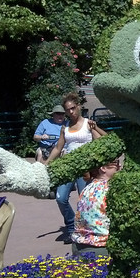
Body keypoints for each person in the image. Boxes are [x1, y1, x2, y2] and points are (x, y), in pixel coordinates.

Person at [47, 92, 107, 243]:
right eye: (68, 110)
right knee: (60, 198)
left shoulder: (88, 123)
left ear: (78, 106)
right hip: (68, 166)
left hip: (85, 168)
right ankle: (70, 227)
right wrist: (45, 163)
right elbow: (58, 148)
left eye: (73, 108)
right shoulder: (65, 128)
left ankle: (85, 229)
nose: (71, 112)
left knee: (84, 200)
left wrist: (95, 128)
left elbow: (104, 141)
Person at [71, 159, 120, 257]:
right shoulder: (110, 190)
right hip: (101, 247)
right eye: (116, 163)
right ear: (103, 168)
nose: (120, 166)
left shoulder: (87, 188)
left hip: (78, 245)